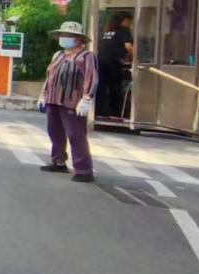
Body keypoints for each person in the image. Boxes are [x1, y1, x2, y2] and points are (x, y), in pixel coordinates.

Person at [40, 21, 99, 184]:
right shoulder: (58, 55)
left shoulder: (86, 56)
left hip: (72, 101)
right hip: (53, 99)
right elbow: (49, 76)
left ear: (78, 39)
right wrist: (43, 95)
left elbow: (91, 77)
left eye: (68, 36)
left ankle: (84, 169)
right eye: (62, 35)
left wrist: (87, 98)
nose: (64, 38)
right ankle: (58, 161)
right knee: (54, 132)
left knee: (76, 134)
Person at [95, 13, 134, 119]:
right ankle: (115, 113)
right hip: (113, 62)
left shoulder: (108, 31)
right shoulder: (123, 30)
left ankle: (99, 111)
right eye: (129, 21)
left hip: (100, 61)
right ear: (124, 21)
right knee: (115, 87)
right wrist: (136, 58)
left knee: (101, 87)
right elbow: (129, 46)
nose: (130, 24)